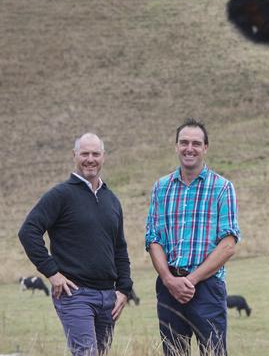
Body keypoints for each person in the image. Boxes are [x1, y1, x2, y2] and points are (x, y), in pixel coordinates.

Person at [18, 132, 133, 356]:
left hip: (108, 297)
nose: (90, 159)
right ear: (74, 155)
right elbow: (28, 231)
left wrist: (124, 289)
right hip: (75, 294)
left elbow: (119, 248)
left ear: (103, 157)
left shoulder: (112, 200)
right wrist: (52, 272)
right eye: (85, 153)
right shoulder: (60, 195)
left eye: (95, 154)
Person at [145, 118, 240, 355]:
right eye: (184, 142)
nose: (190, 148)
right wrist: (168, 279)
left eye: (196, 143)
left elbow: (228, 244)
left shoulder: (222, 188)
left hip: (207, 288)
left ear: (205, 148)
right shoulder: (161, 188)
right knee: (174, 352)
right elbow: (153, 239)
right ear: (176, 146)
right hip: (169, 287)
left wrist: (192, 280)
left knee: (213, 352)